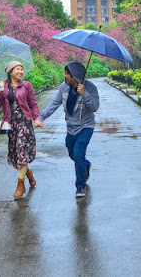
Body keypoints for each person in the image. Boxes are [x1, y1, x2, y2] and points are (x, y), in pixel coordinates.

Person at [34, 61, 99, 198]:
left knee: (79, 153)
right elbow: (55, 103)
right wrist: (41, 117)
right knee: (72, 154)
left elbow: (95, 107)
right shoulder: (64, 87)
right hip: (71, 127)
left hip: (86, 126)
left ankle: (80, 186)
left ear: (74, 75)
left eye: (66, 74)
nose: (64, 76)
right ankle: (86, 165)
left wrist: (85, 93)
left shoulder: (91, 88)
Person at [0, 60, 42, 200]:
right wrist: (0, 91)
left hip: (24, 123)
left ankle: (20, 185)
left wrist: (36, 118)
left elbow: (33, 103)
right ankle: (28, 174)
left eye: (21, 69)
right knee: (15, 154)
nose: (20, 72)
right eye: (17, 69)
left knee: (22, 151)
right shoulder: (4, 87)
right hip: (11, 125)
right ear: (10, 72)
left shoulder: (26, 86)